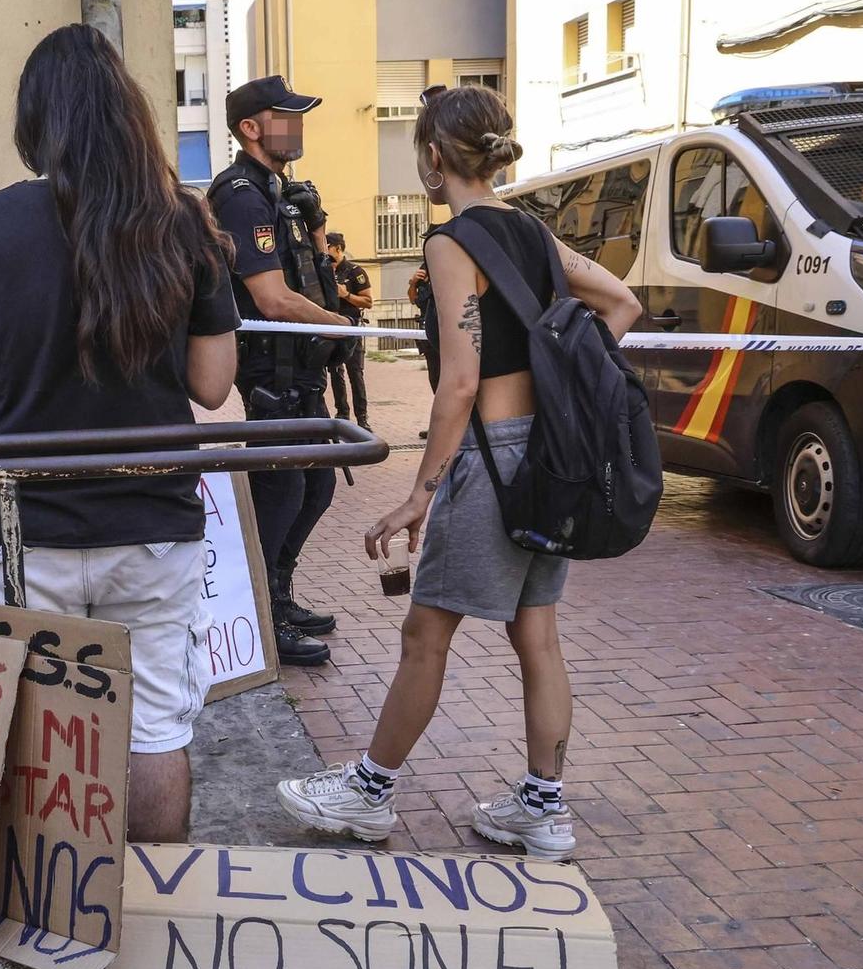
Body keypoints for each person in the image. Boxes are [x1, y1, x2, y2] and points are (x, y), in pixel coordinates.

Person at [274, 85, 641, 857]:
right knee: (536, 633)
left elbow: (462, 381)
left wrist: (420, 492)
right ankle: (542, 805)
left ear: (435, 159)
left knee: (424, 632)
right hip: (554, 456)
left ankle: (370, 790)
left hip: (496, 459)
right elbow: (622, 304)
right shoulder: (536, 235)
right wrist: (567, 380)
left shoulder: (451, 242)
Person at [0, 25, 239, 843]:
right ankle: (157, 911)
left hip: (28, 532)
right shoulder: (184, 223)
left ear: (36, 121)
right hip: (153, 523)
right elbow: (212, 385)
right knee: (157, 724)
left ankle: (50, 912)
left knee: (33, 728)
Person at [207, 76, 351, 668]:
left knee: (315, 485)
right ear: (250, 128)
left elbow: (308, 271)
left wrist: (316, 228)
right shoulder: (241, 193)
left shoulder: (278, 190)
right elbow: (271, 298)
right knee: (283, 488)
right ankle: (263, 614)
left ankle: (280, 596)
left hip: (301, 370)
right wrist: (343, 327)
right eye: (284, 116)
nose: (297, 125)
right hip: (271, 371)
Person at [325, 232, 373, 429]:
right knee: (336, 371)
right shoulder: (323, 270)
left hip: (351, 326)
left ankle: (362, 419)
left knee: (355, 373)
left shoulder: (355, 271)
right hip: (330, 325)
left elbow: (368, 301)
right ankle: (342, 414)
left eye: (327, 246)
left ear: (338, 248)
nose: (324, 251)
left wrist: (346, 295)